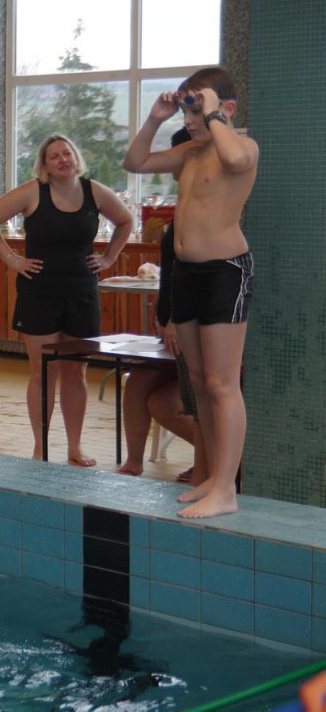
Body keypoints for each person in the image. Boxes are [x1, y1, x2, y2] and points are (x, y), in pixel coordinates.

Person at [123, 67, 257, 519]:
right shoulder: (189, 153)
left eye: (195, 109)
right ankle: (211, 478)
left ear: (225, 109)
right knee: (199, 383)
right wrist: (155, 118)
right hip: (185, 275)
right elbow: (135, 163)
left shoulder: (243, 148)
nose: (189, 118)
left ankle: (226, 488)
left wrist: (214, 114)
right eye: (186, 109)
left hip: (225, 273)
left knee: (221, 383)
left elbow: (234, 160)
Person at [0, 134, 134, 466]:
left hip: (81, 292)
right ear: (45, 165)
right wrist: (12, 259)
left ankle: (75, 447)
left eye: (67, 153)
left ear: (76, 158)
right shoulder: (33, 191)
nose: (63, 159)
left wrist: (109, 258)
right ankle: (41, 447)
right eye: (54, 156)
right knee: (43, 372)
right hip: (39, 292)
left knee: (76, 372)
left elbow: (126, 221)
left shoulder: (95, 191)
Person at [116, 129, 207, 482]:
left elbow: (196, 275)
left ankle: (218, 461)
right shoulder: (182, 206)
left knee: (168, 401)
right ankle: (134, 461)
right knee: (139, 382)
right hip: (174, 323)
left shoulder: (206, 207)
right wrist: (163, 314)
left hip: (193, 325)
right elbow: (171, 273)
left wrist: (176, 320)